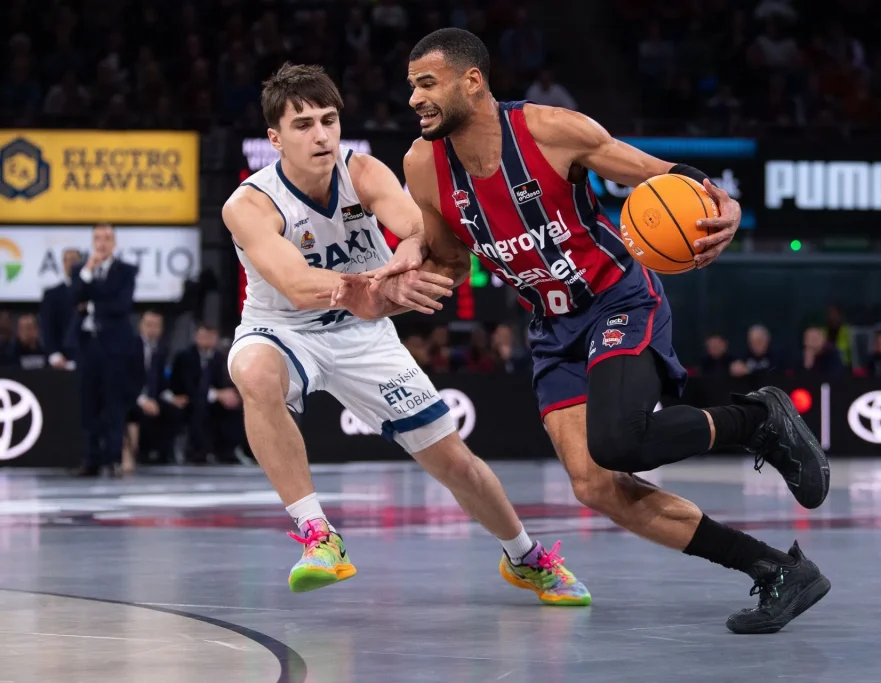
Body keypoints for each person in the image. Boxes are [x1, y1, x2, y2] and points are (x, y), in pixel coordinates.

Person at [386, 28, 830, 634]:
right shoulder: (421, 165)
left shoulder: (548, 129)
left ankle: (757, 418)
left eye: (427, 83)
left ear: (473, 81)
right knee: (596, 484)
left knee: (620, 442)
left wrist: (716, 200)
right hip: (551, 326)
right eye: (411, 86)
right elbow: (449, 257)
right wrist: (411, 260)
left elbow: (655, 172)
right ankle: (778, 570)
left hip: (616, 298)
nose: (414, 98)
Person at [221, 63, 589, 603]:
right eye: (302, 125)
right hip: (284, 328)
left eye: (328, 120)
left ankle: (526, 557)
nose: (321, 135)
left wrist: (407, 260)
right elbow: (299, 286)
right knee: (253, 371)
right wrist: (376, 289)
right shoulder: (248, 204)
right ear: (275, 138)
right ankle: (319, 536)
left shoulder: (363, 172)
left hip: (364, 334)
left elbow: (416, 225)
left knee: (454, 462)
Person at [70, 224, 140, 477]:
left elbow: (120, 305)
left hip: (115, 347)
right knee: (88, 404)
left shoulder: (126, 271)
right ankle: (91, 459)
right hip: (88, 345)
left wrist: (89, 297)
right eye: (98, 238)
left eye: (107, 238)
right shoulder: (81, 270)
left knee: (113, 404)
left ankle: (113, 459)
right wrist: (88, 274)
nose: (102, 243)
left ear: (114, 243)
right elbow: (73, 297)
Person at [169, 323, 243, 464]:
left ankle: (227, 451)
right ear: (196, 337)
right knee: (199, 408)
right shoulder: (185, 357)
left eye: (210, 337)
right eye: (203, 336)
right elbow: (188, 386)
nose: (206, 340)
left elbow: (224, 383)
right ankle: (198, 451)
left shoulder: (220, 358)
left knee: (234, 408)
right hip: (188, 398)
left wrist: (228, 394)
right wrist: (216, 395)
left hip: (214, 401)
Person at [126, 310, 174, 466]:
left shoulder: (161, 349)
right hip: (132, 396)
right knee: (139, 413)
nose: (153, 329)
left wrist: (171, 397)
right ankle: (142, 453)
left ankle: (163, 455)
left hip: (154, 396)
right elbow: (127, 380)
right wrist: (142, 399)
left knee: (172, 410)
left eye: (157, 326)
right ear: (141, 326)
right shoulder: (131, 347)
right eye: (149, 325)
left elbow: (160, 380)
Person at [40, 248, 82, 370]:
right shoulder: (52, 295)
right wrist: (54, 354)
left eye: (73, 260)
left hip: (87, 359)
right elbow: (47, 327)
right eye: (66, 260)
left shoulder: (92, 291)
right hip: (61, 361)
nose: (70, 264)